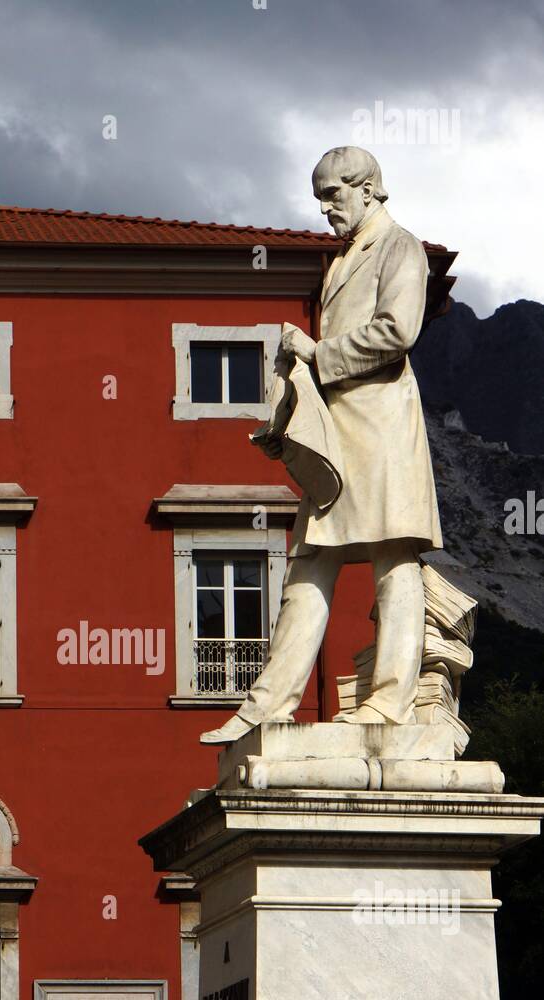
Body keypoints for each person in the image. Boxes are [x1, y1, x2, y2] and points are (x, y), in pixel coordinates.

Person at [202, 145, 442, 745]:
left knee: (395, 560)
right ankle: (265, 705)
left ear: (367, 188)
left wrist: (318, 353)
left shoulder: (400, 247)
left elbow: (398, 329)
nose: (325, 210)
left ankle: (389, 705)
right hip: (339, 433)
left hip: (383, 428)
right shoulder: (342, 260)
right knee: (309, 562)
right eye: (320, 199)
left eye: (332, 196)